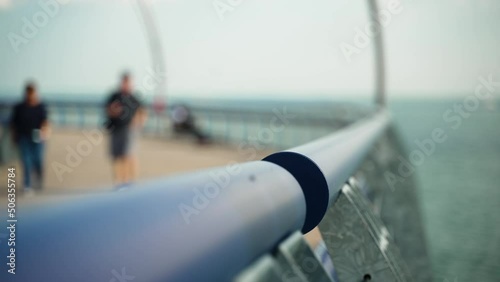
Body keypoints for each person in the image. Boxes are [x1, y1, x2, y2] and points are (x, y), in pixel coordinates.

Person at [104, 73, 146, 188]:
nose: (126, 84)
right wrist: (114, 111)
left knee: (128, 155)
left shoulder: (133, 97)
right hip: (115, 128)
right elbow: (108, 109)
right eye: (124, 82)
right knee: (117, 156)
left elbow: (142, 111)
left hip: (129, 131)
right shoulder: (114, 96)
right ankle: (118, 181)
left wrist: (138, 122)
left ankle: (130, 181)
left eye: (128, 82)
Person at [10, 82, 50, 195]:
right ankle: (27, 185)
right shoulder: (19, 107)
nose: (30, 95)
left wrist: (45, 132)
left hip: (37, 136)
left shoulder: (40, 106)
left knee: (38, 160)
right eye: (29, 93)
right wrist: (14, 137)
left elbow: (45, 121)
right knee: (26, 162)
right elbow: (13, 123)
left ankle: (38, 178)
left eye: (32, 93)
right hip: (23, 137)